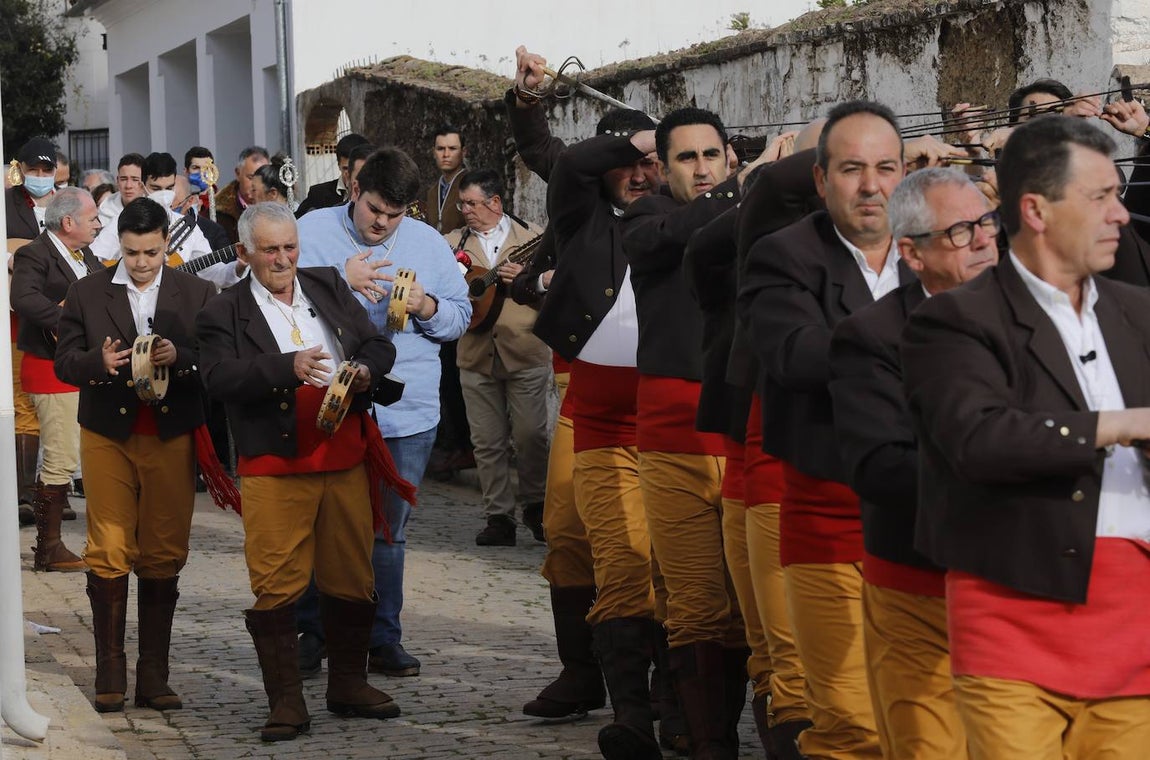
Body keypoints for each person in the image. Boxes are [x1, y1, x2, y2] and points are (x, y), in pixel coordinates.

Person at [902, 115, 1150, 760]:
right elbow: (978, 438)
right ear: (1037, 210)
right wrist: (1121, 424)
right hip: (1012, 607)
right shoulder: (956, 319)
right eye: (1101, 198)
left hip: (1135, 619)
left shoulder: (1139, 311)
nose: (1120, 215)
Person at [197, 202, 405, 741]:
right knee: (276, 583)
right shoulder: (223, 310)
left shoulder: (326, 284)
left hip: (343, 455)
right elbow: (217, 378)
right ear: (244, 253)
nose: (283, 258)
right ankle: (287, 702)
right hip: (274, 463)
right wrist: (284, 369)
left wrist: (363, 370)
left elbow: (379, 343)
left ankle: (349, 685)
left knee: (351, 575)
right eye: (270, 249)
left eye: (290, 247)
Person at [829, 167, 998, 760]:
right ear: (912, 253)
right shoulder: (871, 336)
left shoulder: (1043, 315)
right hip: (919, 583)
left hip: (1025, 583)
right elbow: (881, 467)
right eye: (959, 232)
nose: (982, 240)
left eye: (986, 224)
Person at [296, 146, 470, 679]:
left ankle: (382, 637)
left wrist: (426, 307)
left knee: (388, 531)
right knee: (320, 523)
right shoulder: (312, 229)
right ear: (355, 192)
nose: (382, 224)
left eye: (395, 215)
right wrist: (334, 277)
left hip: (406, 411)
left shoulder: (426, 245)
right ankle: (312, 633)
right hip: (327, 401)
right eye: (375, 210)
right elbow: (268, 294)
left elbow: (461, 317)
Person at [621, 106, 755, 758]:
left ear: (729, 154)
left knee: (746, 608)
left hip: (743, 434)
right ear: (664, 168)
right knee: (696, 600)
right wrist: (746, 188)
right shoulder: (647, 219)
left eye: (712, 155)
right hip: (672, 437)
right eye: (686, 158)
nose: (702, 169)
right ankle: (710, 742)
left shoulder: (758, 216)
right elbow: (673, 236)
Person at [54, 197, 217, 714]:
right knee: (108, 544)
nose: (141, 261)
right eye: (131, 252)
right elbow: (64, 363)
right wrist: (95, 362)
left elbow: (216, 359)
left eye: (150, 251)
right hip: (107, 432)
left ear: (166, 244)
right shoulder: (86, 291)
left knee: (165, 547)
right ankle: (110, 673)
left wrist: (181, 358)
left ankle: (153, 675)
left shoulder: (197, 292)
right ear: (118, 246)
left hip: (171, 433)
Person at [444, 169, 551, 547]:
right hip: (475, 355)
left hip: (525, 350)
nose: (466, 211)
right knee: (486, 442)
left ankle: (537, 506)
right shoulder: (451, 242)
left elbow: (555, 292)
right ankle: (499, 517)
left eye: (472, 203)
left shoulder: (534, 238)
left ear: (495, 203)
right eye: (462, 204)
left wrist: (527, 280)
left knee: (532, 436)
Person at [10, 187, 104, 571]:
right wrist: (68, 320)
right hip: (50, 367)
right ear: (68, 223)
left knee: (78, 453)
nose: (99, 223)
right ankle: (48, 548)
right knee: (62, 456)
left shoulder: (86, 255)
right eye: (92, 217)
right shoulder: (36, 252)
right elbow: (24, 298)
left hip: (81, 366)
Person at [5, 137, 59, 526]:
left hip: (61, 316)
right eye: (33, 170)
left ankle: (53, 487)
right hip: (17, 317)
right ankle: (25, 492)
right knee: (24, 402)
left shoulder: (65, 204)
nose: (40, 177)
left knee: (59, 406)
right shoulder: (6, 203)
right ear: (20, 169)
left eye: (46, 170)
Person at [92, 152, 243, 290]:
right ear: (142, 185)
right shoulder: (123, 220)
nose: (164, 194)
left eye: (169, 188)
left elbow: (213, 274)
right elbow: (93, 260)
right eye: (156, 188)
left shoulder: (187, 226)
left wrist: (238, 268)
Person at [295, 133, 369, 217]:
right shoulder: (318, 194)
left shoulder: (376, 195)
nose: (350, 174)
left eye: (357, 170)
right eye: (346, 168)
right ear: (338, 165)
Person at [214, 146, 270, 243]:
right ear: (238, 173)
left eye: (263, 179)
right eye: (251, 177)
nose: (256, 184)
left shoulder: (279, 207)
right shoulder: (218, 213)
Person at [423, 125, 468, 234]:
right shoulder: (432, 192)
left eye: (452, 148)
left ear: (463, 152)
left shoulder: (471, 186)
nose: (446, 154)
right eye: (440, 149)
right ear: (434, 152)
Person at [97, 154, 147, 228]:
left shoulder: (156, 208)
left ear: (144, 181)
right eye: (123, 179)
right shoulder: (105, 212)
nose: (128, 186)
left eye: (135, 180)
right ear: (117, 181)